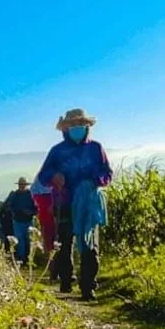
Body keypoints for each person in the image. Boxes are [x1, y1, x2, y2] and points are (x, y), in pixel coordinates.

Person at [37, 108, 112, 300]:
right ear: (65, 128)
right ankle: (66, 279)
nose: (77, 128)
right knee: (64, 244)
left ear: (87, 127)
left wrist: (95, 180)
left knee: (89, 244)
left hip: (88, 204)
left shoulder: (96, 149)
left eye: (81, 124)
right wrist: (54, 176)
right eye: (72, 125)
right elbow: (44, 175)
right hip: (64, 202)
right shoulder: (57, 151)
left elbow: (107, 174)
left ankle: (88, 286)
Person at [5, 177, 38, 265]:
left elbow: (36, 208)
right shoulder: (15, 195)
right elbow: (10, 207)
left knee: (28, 241)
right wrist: (16, 211)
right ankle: (22, 259)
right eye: (21, 185)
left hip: (28, 221)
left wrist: (30, 212)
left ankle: (28, 259)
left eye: (23, 185)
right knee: (20, 241)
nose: (22, 186)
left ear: (26, 185)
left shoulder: (31, 195)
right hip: (17, 221)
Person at [30, 174, 56, 254]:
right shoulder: (42, 176)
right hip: (46, 212)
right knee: (47, 236)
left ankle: (50, 257)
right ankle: (49, 258)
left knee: (51, 236)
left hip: (52, 211)